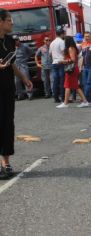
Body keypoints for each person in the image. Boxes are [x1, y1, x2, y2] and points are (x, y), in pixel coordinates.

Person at [0, 9, 32, 179]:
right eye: (9, 20)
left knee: (7, 124)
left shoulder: (10, 41)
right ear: (0, 21)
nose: (12, 23)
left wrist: (24, 78)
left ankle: (6, 163)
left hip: (7, 88)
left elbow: (12, 64)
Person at [56, 36, 88, 108]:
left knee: (68, 85)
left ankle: (66, 103)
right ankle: (84, 101)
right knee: (74, 86)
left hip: (71, 69)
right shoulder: (71, 48)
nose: (64, 42)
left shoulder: (71, 48)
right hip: (72, 69)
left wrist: (62, 61)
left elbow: (73, 59)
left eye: (65, 41)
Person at [13, 35, 33, 100]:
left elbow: (31, 53)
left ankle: (29, 95)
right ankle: (20, 95)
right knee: (16, 81)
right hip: (16, 65)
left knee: (26, 79)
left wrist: (26, 59)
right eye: (14, 40)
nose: (15, 41)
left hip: (23, 65)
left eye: (16, 40)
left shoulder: (25, 46)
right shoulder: (12, 47)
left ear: (19, 40)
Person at [49, 29, 65, 103]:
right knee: (62, 81)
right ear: (61, 34)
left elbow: (49, 54)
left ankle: (56, 98)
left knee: (55, 81)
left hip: (54, 63)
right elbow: (63, 52)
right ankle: (63, 97)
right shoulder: (61, 42)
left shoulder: (52, 43)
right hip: (60, 62)